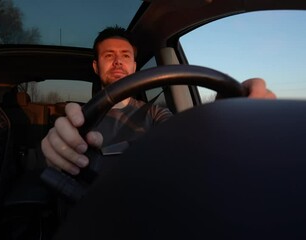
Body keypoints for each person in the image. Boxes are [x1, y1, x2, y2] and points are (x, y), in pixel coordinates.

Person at [41, 26, 276, 175]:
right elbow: (59, 151)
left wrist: (226, 113)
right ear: (96, 66)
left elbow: (188, 136)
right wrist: (56, 151)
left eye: (125, 56)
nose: (117, 62)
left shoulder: (154, 113)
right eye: (108, 55)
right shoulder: (79, 118)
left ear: (134, 66)